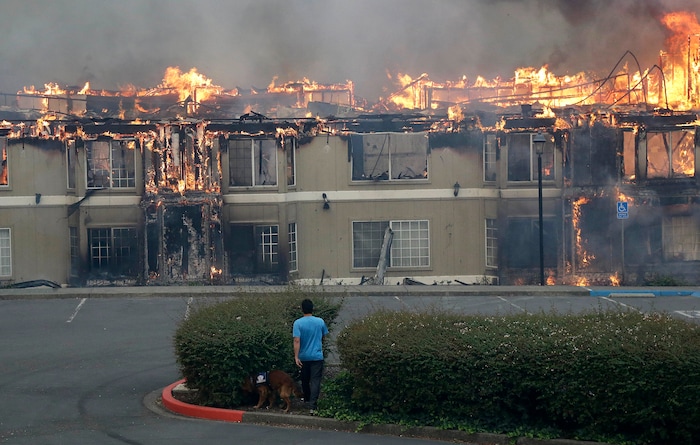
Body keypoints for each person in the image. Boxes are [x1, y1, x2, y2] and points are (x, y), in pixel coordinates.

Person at [293, 298, 329, 414]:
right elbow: (324, 337)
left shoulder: (298, 323)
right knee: (315, 380)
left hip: (304, 356)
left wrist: (296, 357)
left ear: (302, 309)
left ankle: (307, 399)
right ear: (312, 309)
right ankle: (313, 405)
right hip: (317, 356)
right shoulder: (320, 321)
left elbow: (297, 341)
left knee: (305, 379)